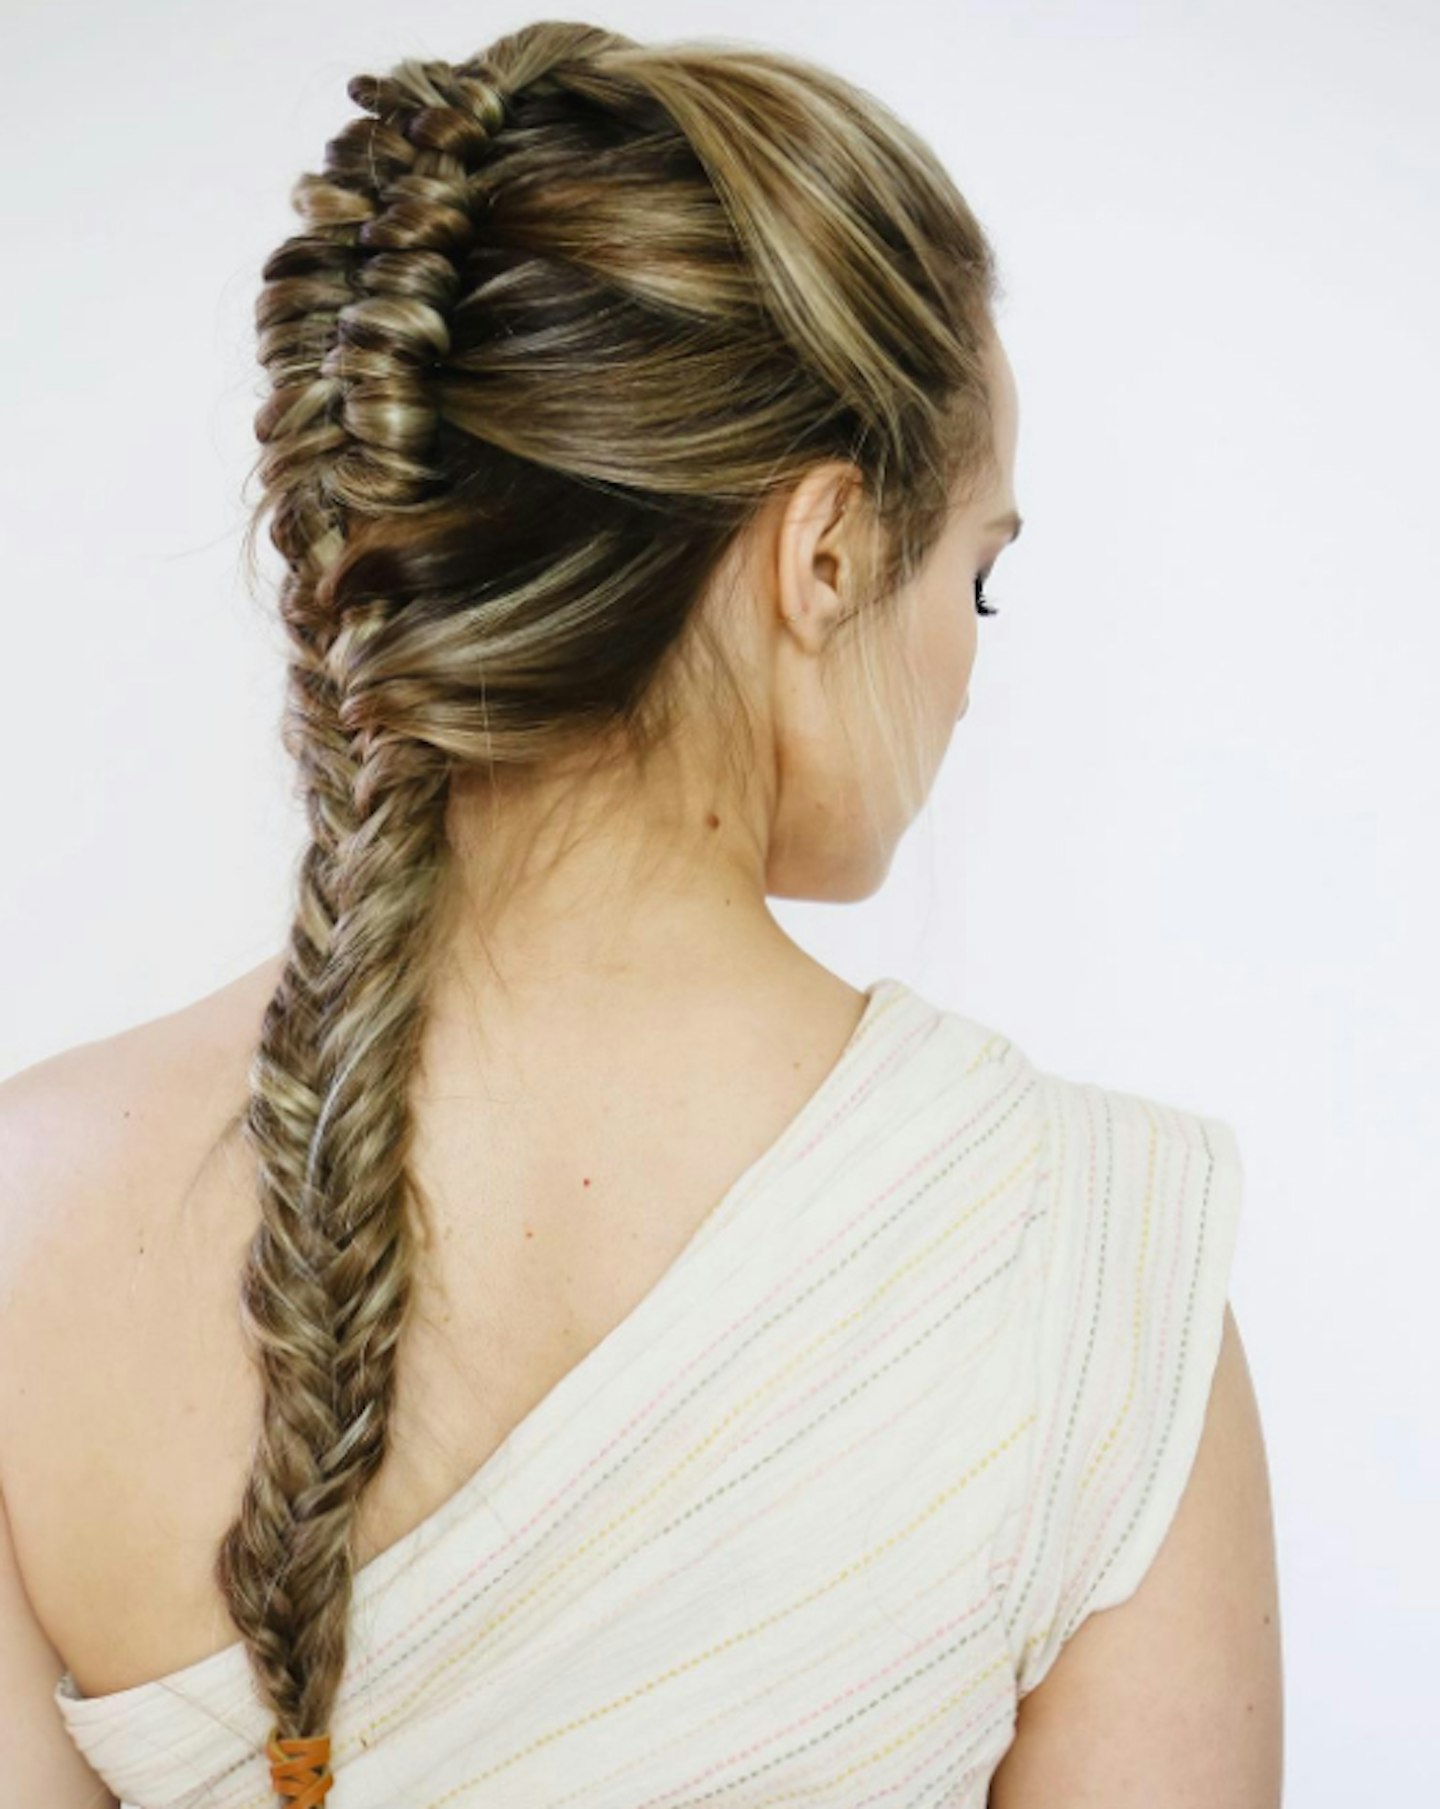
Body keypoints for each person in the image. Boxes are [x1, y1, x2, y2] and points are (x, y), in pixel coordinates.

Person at [0, 19, 1283, 1807]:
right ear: (825, 555)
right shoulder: (1095, 1270)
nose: (969, 673)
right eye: (976, 575)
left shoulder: (25, 1224)